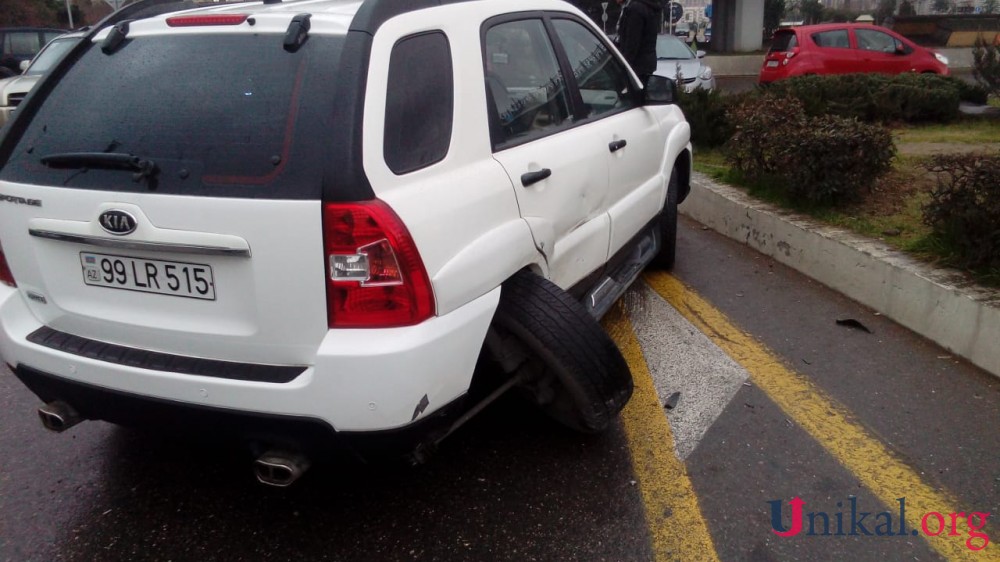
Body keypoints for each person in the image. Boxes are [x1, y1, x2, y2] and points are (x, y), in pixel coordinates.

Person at [614, 0, 661, 86]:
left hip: (636, 68)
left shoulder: (635, 10)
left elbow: (632, 43)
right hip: (643, 66)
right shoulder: (643, 7)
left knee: (632, 97)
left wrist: (623, 67)